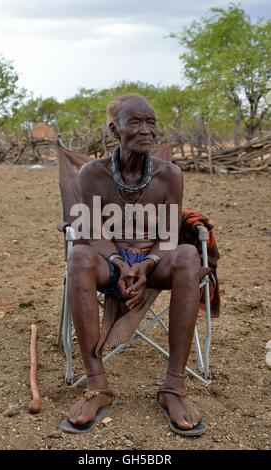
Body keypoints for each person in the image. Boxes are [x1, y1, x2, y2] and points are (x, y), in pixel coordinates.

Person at [63, 94, 206, 436]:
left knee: (188, 255)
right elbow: (91, 231)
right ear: (115, 129)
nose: (147, 130)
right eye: (136, 122)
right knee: (78, 255)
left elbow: (170, 233)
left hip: (153, 262)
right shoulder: (91, 174)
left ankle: (174, 387)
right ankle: (97, 386)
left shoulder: (170, 175)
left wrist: (146, 264)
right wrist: (117, 261)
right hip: (107, 261)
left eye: (151, 122)